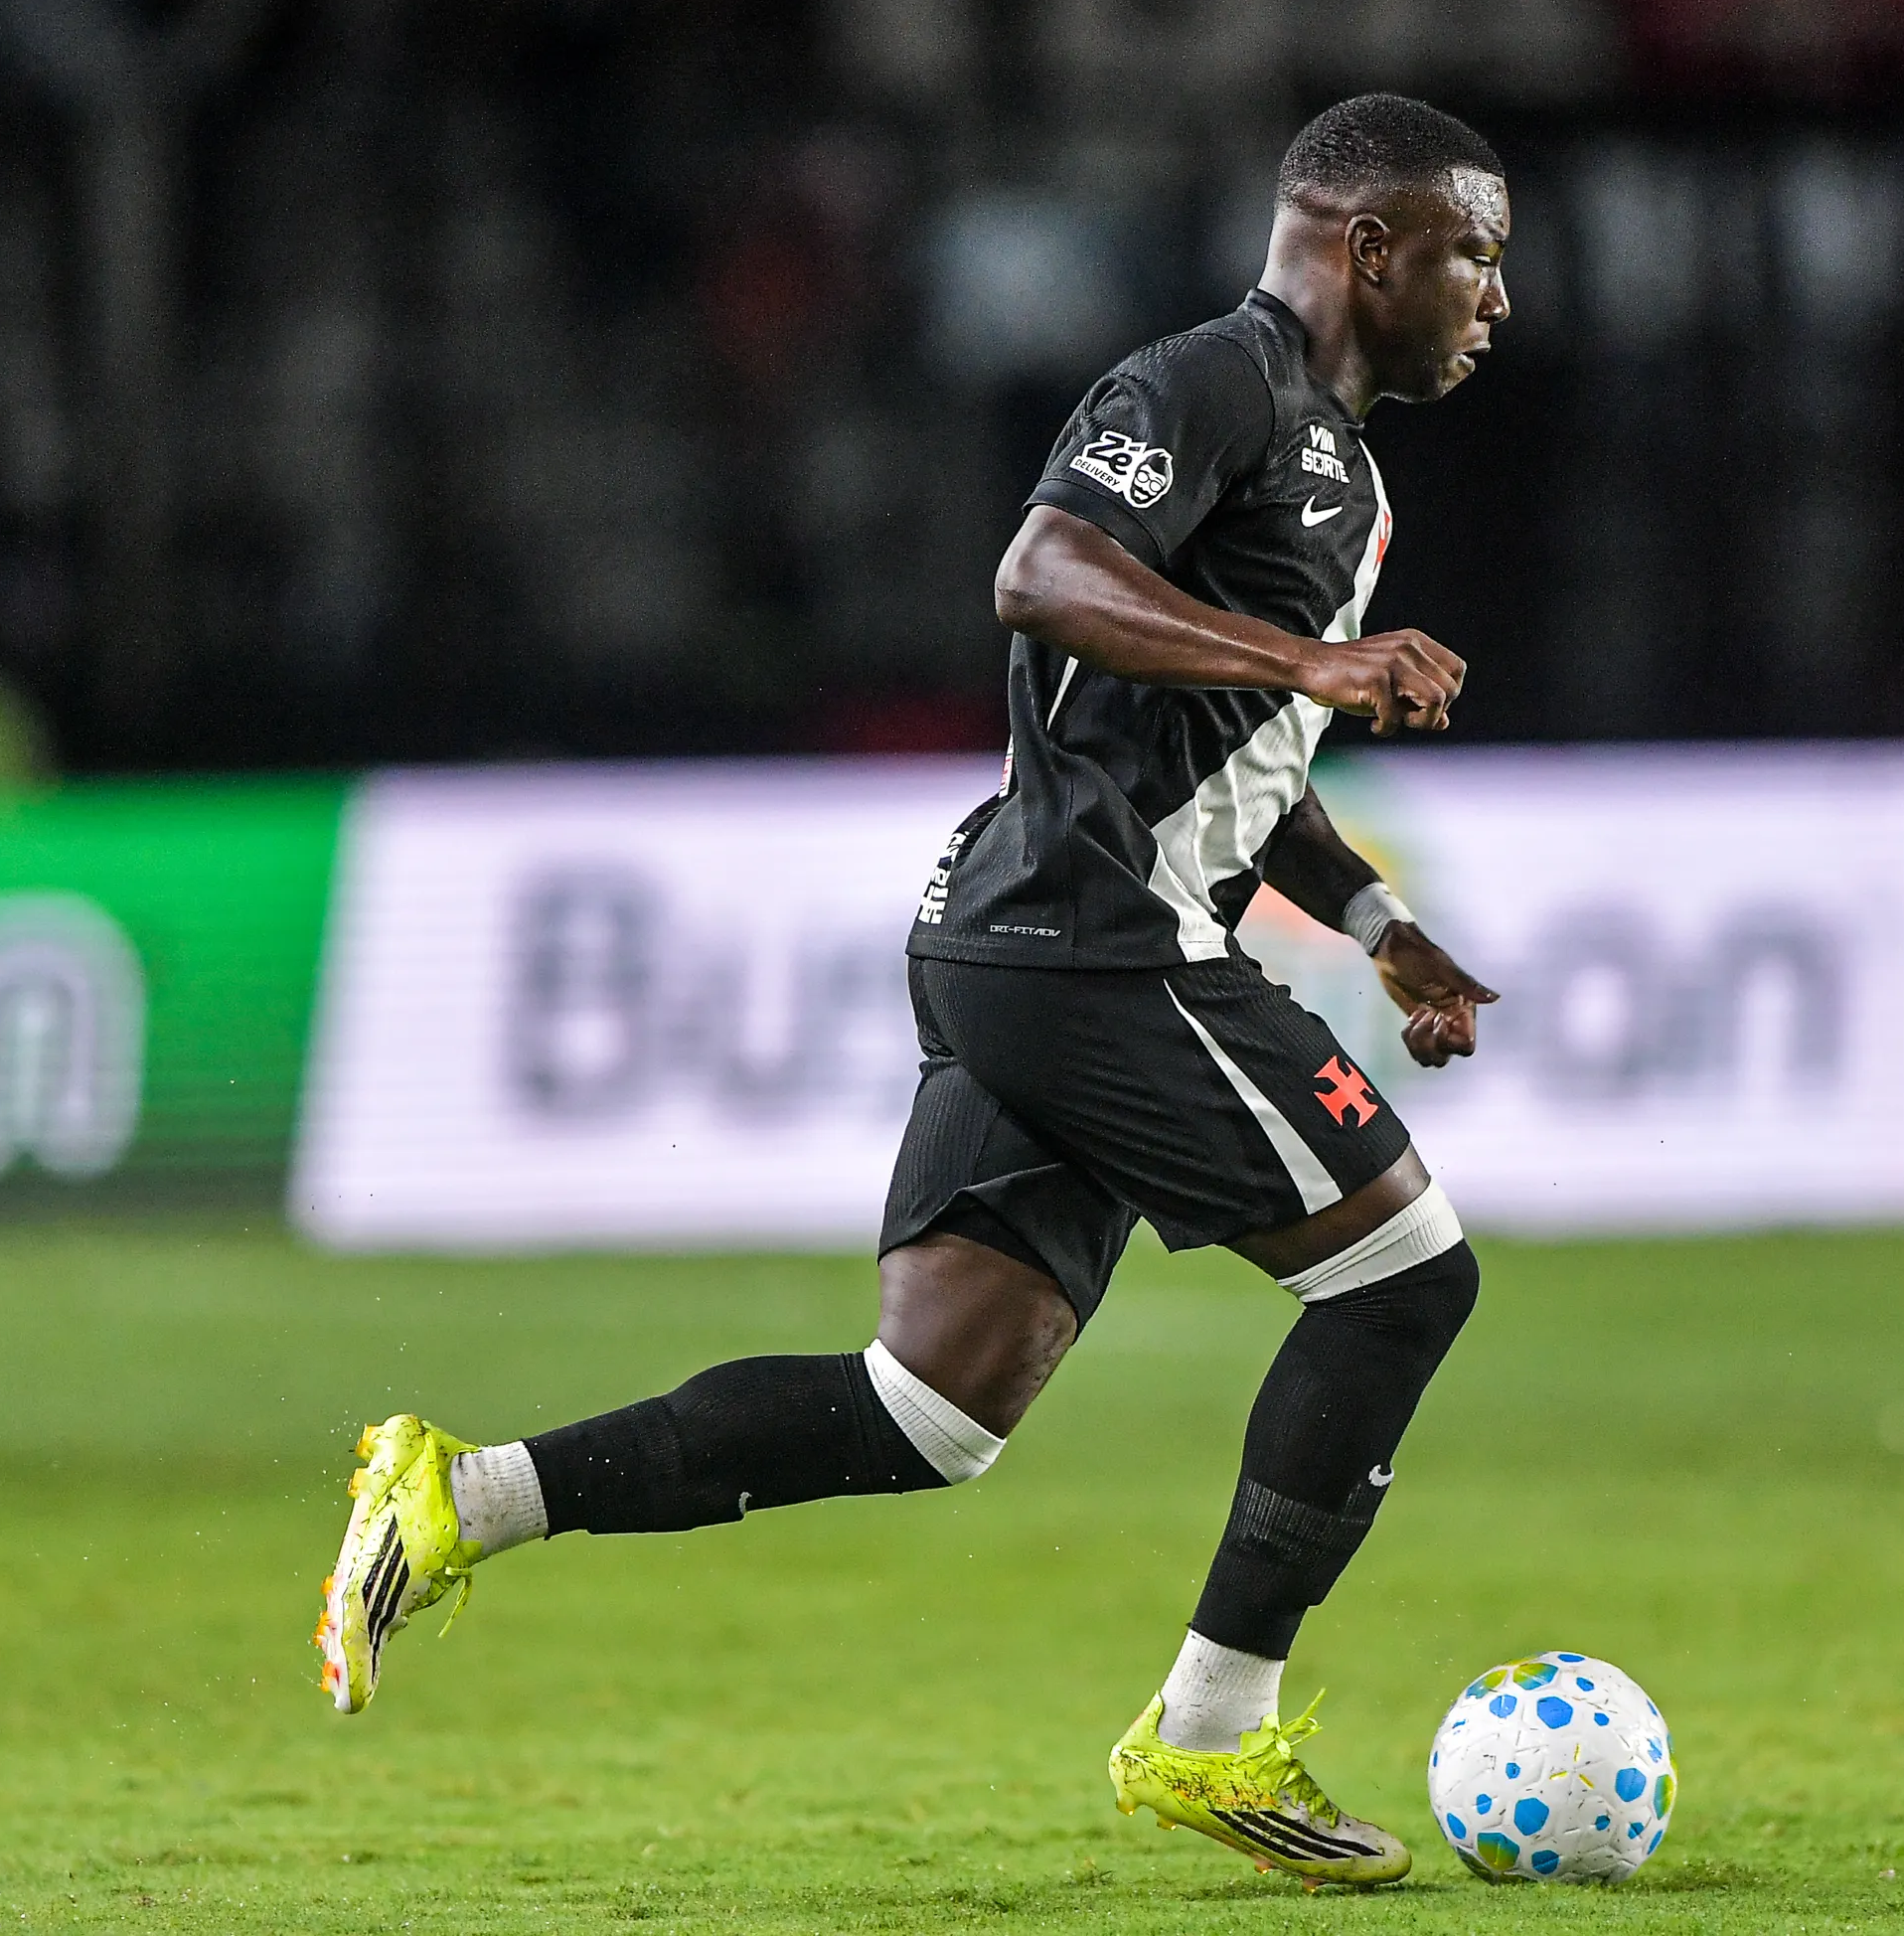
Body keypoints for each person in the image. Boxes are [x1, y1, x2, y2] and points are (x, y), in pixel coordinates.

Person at [314, 92, 1512, 1891]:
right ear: (1369, 245)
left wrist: (1372, 918)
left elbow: (1224, 752)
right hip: (1096, 941)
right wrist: (1313, 655)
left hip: (1036, 933)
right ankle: (1208, 1733)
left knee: (929, 1407)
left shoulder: (1337, 460)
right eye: (1474, 254)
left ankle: (459, 1496)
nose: (1496, 295)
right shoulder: (1210, 385)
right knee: (1409, 1281)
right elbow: (1040, 573)